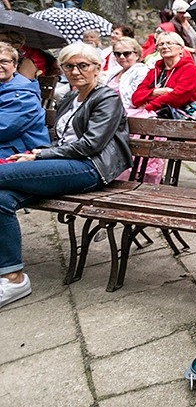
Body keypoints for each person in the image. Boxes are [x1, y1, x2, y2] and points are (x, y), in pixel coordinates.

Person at [0, 42, 131, 309]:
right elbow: (61, 141)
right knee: (2, 198)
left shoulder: (107, 97)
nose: (75, 71)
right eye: (69, 66)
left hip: (91, 167)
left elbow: (91, 145)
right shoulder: (69, 99)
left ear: (97, 67)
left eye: (83, 65)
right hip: (66, 164)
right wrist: (35, 152)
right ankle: (14, 277)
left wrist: (41, 156)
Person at [105, 37, 164, 184]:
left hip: (134, 114)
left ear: (137, 54)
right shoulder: (114, 72)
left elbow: (135, 99)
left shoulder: (142, 71)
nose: (122, 57)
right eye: (117, 54)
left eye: (126, 53)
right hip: (113, 114)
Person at [130, 31, 196, 116]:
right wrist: (158, 91)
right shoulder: (154, 71)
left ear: (181, 49)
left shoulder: (189, 69)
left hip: (183, 115)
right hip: (155, 114)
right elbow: (136, 98)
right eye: (160, 44)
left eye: (169, 43)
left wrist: (149, 107)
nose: (164, 46)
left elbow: (177, 98)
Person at [0, 42, 50, 158]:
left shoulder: (23, 96)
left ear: (15, 65)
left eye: (4, 61)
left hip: (22, 153)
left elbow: (4, 128)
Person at [170, 0, 196, 82]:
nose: (183, 15)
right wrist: (194, 50)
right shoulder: (174, 25)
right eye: (181, 12)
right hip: (187, 56)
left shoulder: (189, 22)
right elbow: (176, 44)